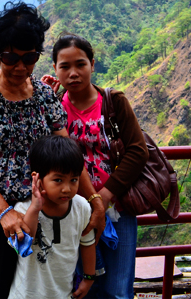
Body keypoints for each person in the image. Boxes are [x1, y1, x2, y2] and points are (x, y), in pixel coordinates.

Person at [0, 1, 105, 299]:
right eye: (10, 57)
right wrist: (4, 213)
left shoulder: (44, 96)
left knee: (39, 288)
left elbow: (68, 155)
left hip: (46, 208)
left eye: (30, 58)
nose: (20, 67)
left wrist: (93, 200)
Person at [43, 34, 148, 299]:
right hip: (69, 212)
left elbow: (137, 151)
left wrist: (105, 195)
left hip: (116, 208)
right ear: (55, 68)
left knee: (118, 289)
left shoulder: (113, 103)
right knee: (80, 288)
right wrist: (42, 99)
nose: (73, 73)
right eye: (64, 66)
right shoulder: (53, 108)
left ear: (93, 63)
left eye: (80, 64)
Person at [8, 135, 96, 299]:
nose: (67, 189)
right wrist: (35, 208)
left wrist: (89, 277)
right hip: (26, 295)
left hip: (64, 293)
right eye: (58, 180)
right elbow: (23, 246)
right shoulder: (23, 209)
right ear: (38, 178)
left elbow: (88, 243)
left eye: (73, 180)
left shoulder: (81, 207)